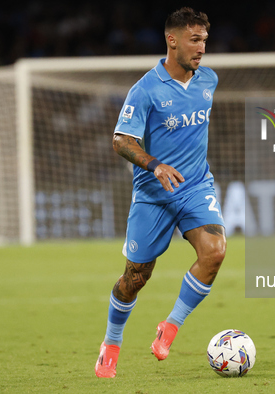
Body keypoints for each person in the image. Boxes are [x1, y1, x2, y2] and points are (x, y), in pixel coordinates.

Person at [95, 7, 226, 378]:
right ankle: (112, 342)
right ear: (172, 40)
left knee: (215, 251)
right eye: (194, 40)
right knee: (134, 278)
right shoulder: (146, 89)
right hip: (153, 193)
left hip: (195, 185)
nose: (201, 48)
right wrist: (155, 164)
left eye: (204, 40)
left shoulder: (208, 80)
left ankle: (169, 327)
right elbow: (121, 140)